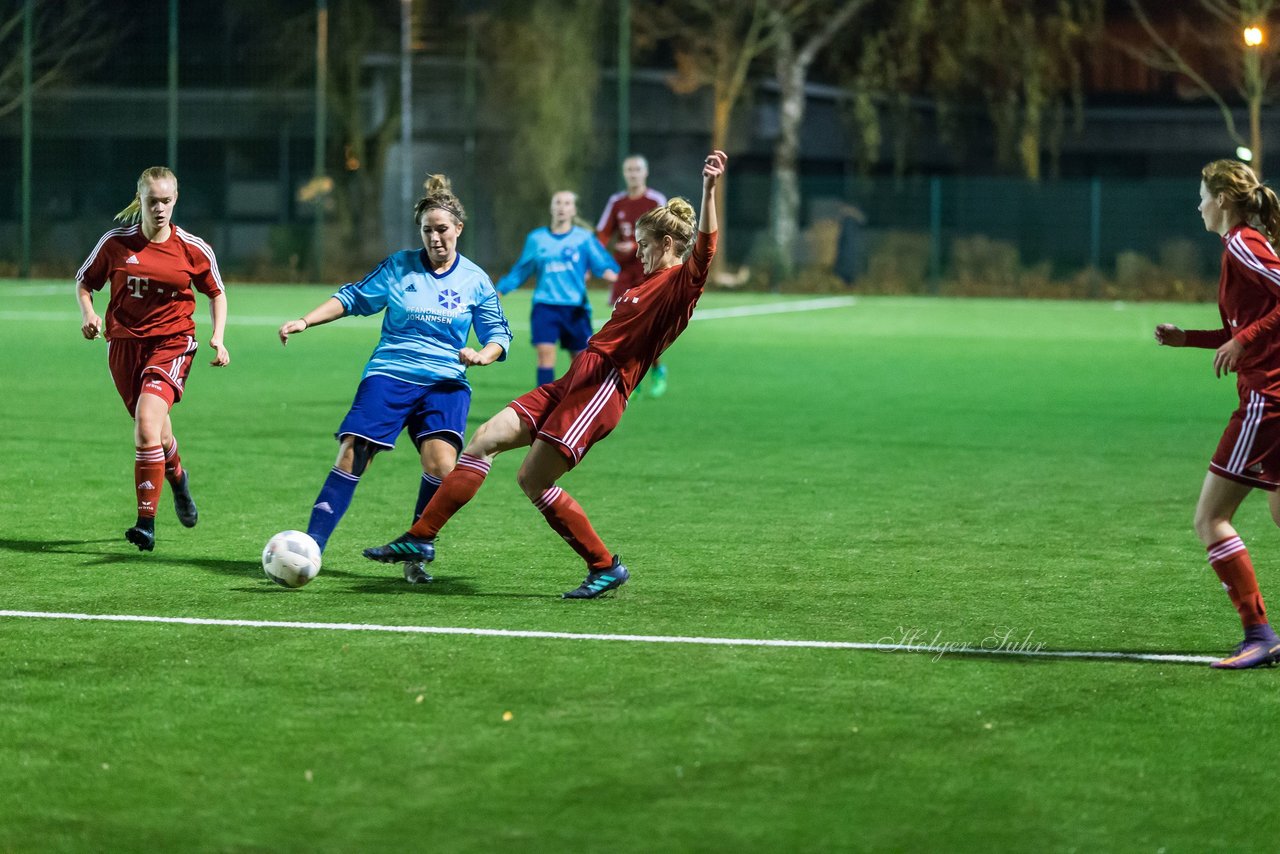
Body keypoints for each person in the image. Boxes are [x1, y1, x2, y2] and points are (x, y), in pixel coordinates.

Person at [360, 150, 727, 598]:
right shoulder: (645, 282)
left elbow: (705, 249)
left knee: (532, 480)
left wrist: (709, 189)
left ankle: (604, 565)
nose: (640, 253)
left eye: (645, 245)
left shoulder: (677, 285)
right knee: (483, 441)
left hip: (601, 389)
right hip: (576, 378)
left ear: (667, 245)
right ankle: (420, 537)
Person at [278, 173, 512, 584]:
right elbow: (352, 297)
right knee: (353, 452)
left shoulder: (476, 280)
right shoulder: (398, 266)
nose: (435, 238)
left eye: (442, 229)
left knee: (442, 467)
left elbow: (498, 334)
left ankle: (416, 553)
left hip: (445, 384)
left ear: (459, 228)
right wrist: (305, 320)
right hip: (390, 372)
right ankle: (311, 546)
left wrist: (482, 354)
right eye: (427, 230)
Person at [1154, 158, 1280, 669]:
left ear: (1223, 199)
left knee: (1210, 517)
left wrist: (1243, 341)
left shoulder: (1243, 244)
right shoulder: (1244, 247)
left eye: (1203, 195)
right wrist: (1193, 339)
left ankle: (1260, 635)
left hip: (1267, 402)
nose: (1198, 204)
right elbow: (1250, 323)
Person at [75, 166, 229, 552]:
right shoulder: (115, 243)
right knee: (157, 433)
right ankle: (178, 478)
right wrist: (89, 315)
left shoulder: (192, 248)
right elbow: (84, 283)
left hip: (173, 344)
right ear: (139, 199)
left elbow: (216, 292)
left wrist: (218, 337)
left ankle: (146, 523)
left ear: (175, 200)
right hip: (125, 346)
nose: (160, 208)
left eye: (166, 201)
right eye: (152, 201)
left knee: (146, 424)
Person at [495, 190, 619, 387]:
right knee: (545, 358)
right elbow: (522, 269)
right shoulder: (537, 239)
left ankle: (579, 408)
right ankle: (543, 410)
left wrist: (616, 277)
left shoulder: (583, 238)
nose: (562, 207)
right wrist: (500, 290)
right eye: (558, 203)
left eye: (567, 203)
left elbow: (602, 263)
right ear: (552, 208)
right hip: (545, 307)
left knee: (581, 363)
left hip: (575, 309)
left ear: (574, 210)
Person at [596, 154, 671, 397]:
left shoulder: (655, 200)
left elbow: (668, 233)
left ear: (645, 173)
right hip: (624, 273)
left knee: (648, 328)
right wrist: (597, 264)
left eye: (637, 169)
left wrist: (639, 245)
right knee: (622, 324)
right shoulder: (617, 202)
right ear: (624, 173)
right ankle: (631, 375)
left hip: (649, 272)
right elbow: (602, 235)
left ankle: (656, 368)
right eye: (629, 170)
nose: (633, 174)